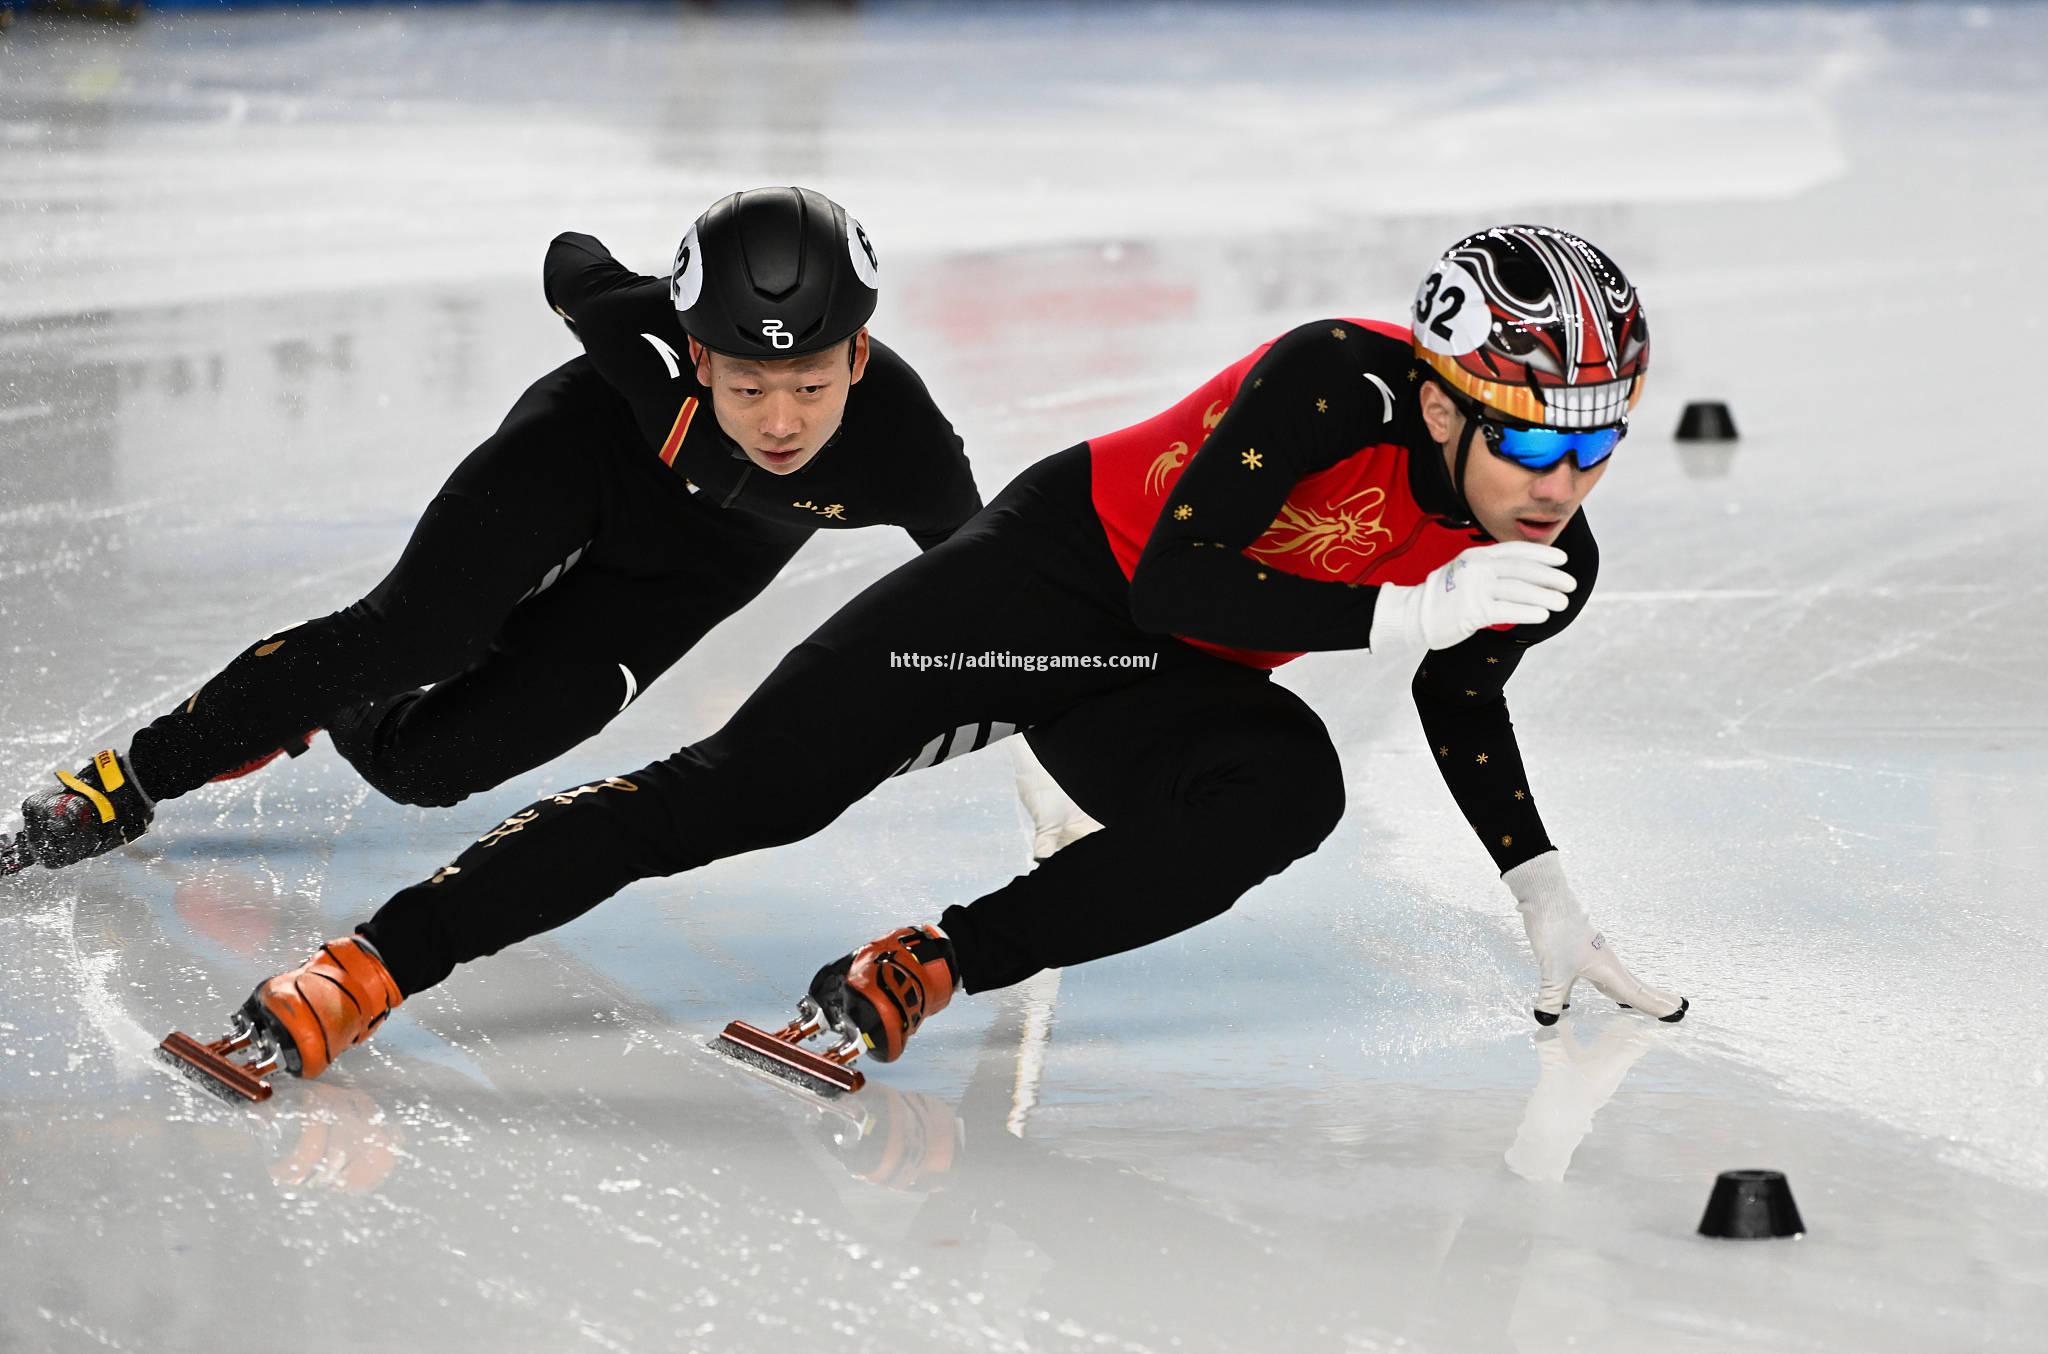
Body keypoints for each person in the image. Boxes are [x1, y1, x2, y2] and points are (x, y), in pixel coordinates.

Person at [162, 223, 1686, 1100]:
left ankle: (932, 959)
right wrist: (1403, 611)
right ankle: (374, 961)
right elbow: (1175, 571)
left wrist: (1535, 876)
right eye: (1539, 437)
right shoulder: (1328, 380)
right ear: (1438, 401)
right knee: (739, 795)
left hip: (1155, 683)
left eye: (1598, 447)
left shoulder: (1544, 556)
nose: (1563, 481)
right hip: (1048, 581)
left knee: (1286, 786)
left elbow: (1459, 687)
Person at [3, 187, 983, 878]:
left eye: (811, 386)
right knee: (418, 634)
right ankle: (131, 774)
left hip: (694, 566)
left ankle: (325, 702)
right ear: (694, 351)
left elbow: (1000, 586)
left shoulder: (911, 454)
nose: (779, 422)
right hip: (583, 449)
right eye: (744, 385)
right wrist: (602, 292)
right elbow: (571, 259)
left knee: (424, 770)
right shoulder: (638, 333)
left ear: (856, 353)